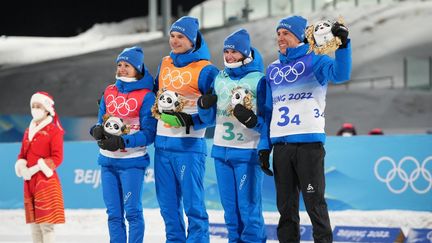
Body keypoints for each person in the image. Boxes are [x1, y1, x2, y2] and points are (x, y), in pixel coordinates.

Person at [262, 16, 352, 243]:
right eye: (279, 33)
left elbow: (341, 75)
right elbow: (268, 111)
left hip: (308, 146)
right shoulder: (272, 69)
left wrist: (343, 45)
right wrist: (264, 147)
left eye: (286, 33)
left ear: (300, 36)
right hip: (281, 148)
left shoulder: (316, 60)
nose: (280, 38)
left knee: (315, 205)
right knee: (286, 209)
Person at [153, 16, 219, 242]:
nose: (174, 41)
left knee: (193, 206)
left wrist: (191, 121)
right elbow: (153, 95)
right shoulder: (164, 63)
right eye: (172, 36)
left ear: (192, 40)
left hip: (189, 146)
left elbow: (214, 113)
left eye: (180, 37)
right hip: (162, 145)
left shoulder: (207, 70)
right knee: (168, 208)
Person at [198, 28, 267, 242]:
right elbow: (210, 120)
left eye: (234, 52)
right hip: (221, 152)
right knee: (230, 210)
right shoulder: (220, 77)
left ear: (246, 53)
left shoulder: (259, 80)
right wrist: (204, 106)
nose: (229, 56)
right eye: (226, 52)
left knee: (248, 209)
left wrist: (252, 120)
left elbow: (267, 122)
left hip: (247, 152)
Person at [89, 46, 157, 243]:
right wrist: (95, 130)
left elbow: (149, 134)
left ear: (138, 68)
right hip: (108, 162)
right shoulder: (109, 91)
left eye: (127, 65)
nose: (122, 69)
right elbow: (99, 122)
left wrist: (122, 141)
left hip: (132, 163)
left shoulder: (147, 96)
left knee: (133, 213)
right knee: (113, 214)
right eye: (119, 65)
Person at [14, 91, 65, 243]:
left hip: (46, 182)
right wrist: (22, 167)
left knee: (46, 225)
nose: (35, 109)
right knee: (34, 225)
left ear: (47, 109)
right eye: (33, 106)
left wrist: (36, 168)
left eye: (39, 106)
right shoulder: (28, 131)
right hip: (29, 182)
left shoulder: (54, 131)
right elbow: (22, 154)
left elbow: (57, 157)